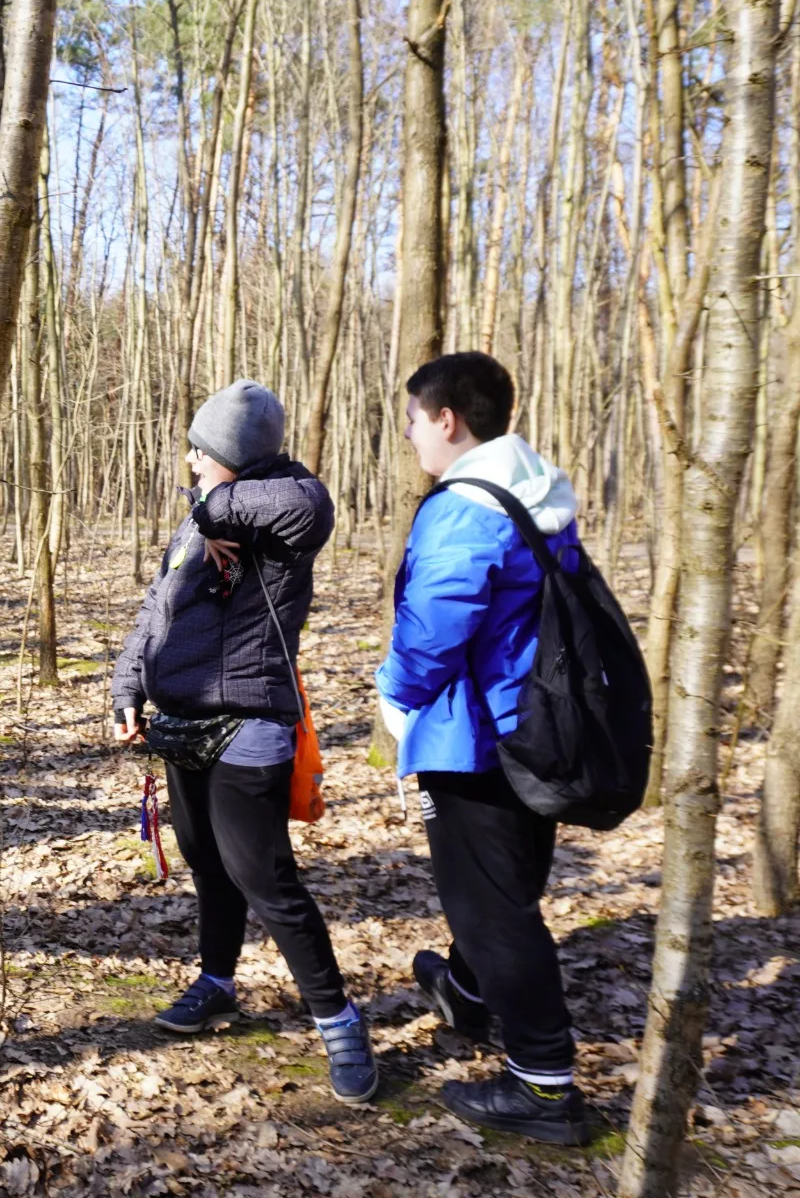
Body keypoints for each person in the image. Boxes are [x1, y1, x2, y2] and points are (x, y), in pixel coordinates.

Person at [110, 379, 377, 1105]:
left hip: (250, 724)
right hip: (182, 722)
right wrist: (126, 687)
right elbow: (154, 609)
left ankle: (340, 1023)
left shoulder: (286, 514)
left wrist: (212, 506)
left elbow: (308, 503)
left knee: (264, 876)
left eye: (202, 451)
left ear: (230, 455)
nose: (190, 461)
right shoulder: (197, 522)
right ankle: (218, 982)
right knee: (207, 863)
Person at [377, 352, 593, 1145]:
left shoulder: (466, 505)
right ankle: (466, 991)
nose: (410, 434)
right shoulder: (537, 491)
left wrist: (395, 693)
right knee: (507, 885)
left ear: (446, 418)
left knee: (490, 905)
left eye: (413, 418)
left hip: (471, 738)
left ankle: (544, 1085)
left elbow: (436, 623)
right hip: (534, 728)